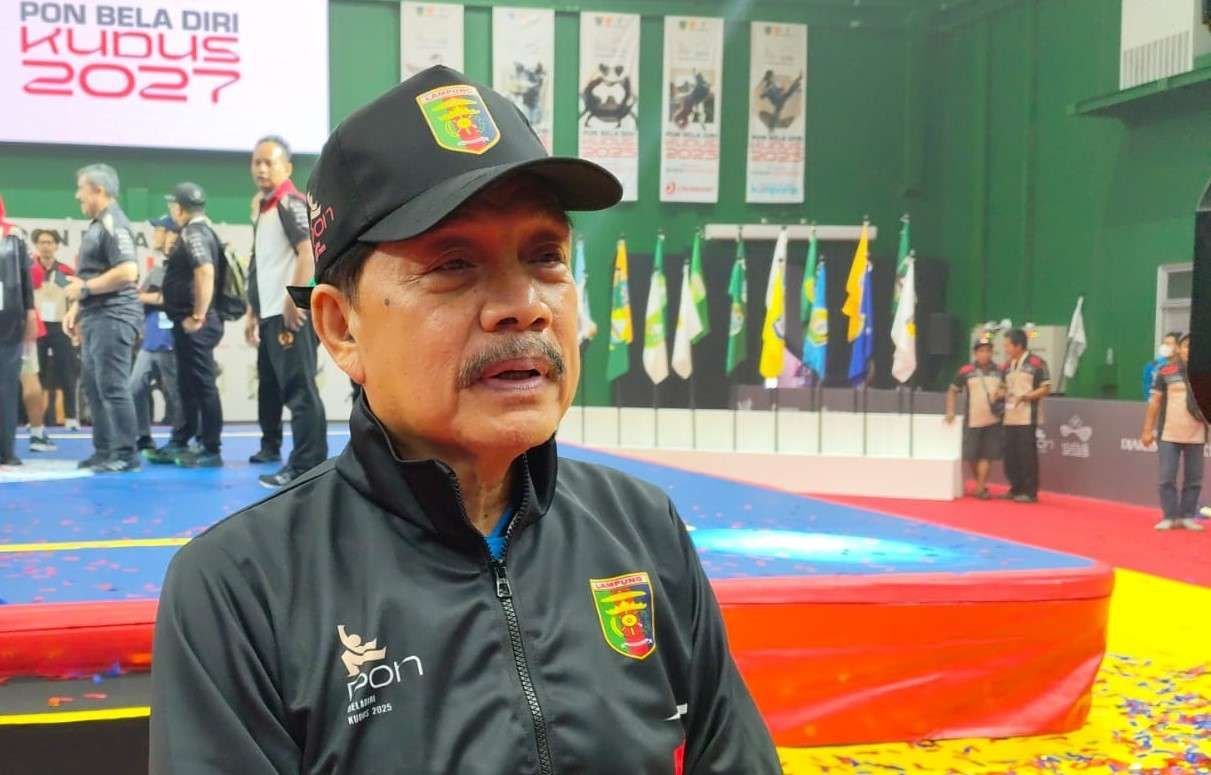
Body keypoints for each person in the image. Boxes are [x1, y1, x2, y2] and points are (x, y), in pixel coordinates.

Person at [150, 66, 780, 774]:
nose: (525, 306)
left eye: (546, 257)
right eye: (453, 263)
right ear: (341, 328)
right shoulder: (242, 589)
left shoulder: (641, 527)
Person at [246, 135, 328, 485]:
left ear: (287, 168)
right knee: (273, 385)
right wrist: (253, 311)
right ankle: (276, 450)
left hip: (290, 312)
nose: (262, 169)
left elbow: (308, 251)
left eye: (270, 162)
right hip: (270, 313)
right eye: (257, 162)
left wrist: (296, 300)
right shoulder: (265, 209)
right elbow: (262, 267)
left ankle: (307, 465)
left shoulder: (290, 203)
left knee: (299, 389)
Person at [63, 164, 143, 473]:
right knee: (94, 388)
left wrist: (84, 289)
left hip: (114, 315)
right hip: (97, 315)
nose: (77, 196)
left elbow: (128, 271)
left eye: (81, 189)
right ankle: (105, 449)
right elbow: (92, 276)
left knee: (112, 386)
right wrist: (77, 308)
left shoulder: (113, 222)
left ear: (98, 190)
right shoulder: (98, 224)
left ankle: (126, 454)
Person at [149, 183, 225, 468]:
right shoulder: (200, 231)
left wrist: (198, 316)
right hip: (187, 323)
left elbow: (205, 270)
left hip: (197, 324)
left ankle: (210, 448)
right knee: (188, 384)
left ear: (179, 208)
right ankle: (182, 440)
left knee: (202, 384)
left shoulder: (194, 232)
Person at [1141, 334, 1207, 531]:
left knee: (1194, 479)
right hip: (1169, 433)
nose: (1190, 351)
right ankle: (1169, 516)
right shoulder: (1166, 371)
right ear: (1179, 349)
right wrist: (1147, 430)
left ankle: (1187, 516)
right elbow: (1155, 402)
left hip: (1197, 434)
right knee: (1166, 477)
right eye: (1186, 346)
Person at [130, 216, 183, 454]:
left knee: (176, 393)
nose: (154, 235)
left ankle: (182, 439)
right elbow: (141, 299)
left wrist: (142, 296)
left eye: (158, 230)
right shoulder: (157, 270)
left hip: (171, 340)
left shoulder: (181, 265)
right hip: (150, 340)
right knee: (135, 387)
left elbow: (171, 298)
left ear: (171, 233)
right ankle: (143, 436)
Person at [30, 229, 81, 433]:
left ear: (57, 246)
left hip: (60, 327)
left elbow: (75, 297)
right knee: (36, 374)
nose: (46, 246)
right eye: (42, 242)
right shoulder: (30, 270)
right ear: (36, 245)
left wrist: (74, 323)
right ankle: (34, 420)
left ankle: (71, 417)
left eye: (50, 242)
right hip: (37, 327)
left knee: (67, 372)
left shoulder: (63, 271)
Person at [0, 195, 37, 466]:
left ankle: (6, 449)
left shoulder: (15, 237)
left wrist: (31, 312)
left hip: (10, 321)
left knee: (7, 385)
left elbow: (25, 277)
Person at [945, 335, 1005, 499]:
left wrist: (1002, 392)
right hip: (972, 419)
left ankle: (980, 487)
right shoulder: (966, 371)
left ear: (992, 352)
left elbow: (1007, 388)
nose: (985, 354)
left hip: (993, 419)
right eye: (981, 351)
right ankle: (980, 484)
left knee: (987, 455)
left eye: (988, 351)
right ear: (975, 353)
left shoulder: (1000, 370)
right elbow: (952, 391)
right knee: (971, 455)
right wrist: (950, 411)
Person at [1001, 328, 1052, 503]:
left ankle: (1030, 492)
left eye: (1008, 345)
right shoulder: (1007, 365)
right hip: (1009, 416)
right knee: (1010, 455)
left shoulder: (1037, 363)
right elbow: (1004, 387)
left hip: (1027, 416)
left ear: (1018, 346)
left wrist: (1025, 397)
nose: (1005, 349)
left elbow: (1046, 388)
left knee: (1026, 455)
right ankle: (1015, 488)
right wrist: (999, 392)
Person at [1142, 331, 1180, 401]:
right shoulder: (1152, 365)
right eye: (1164, 343)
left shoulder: (1183, 366)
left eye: (1168, 344)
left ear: (1178, 347)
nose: (1165, 346)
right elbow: (1147, 386)